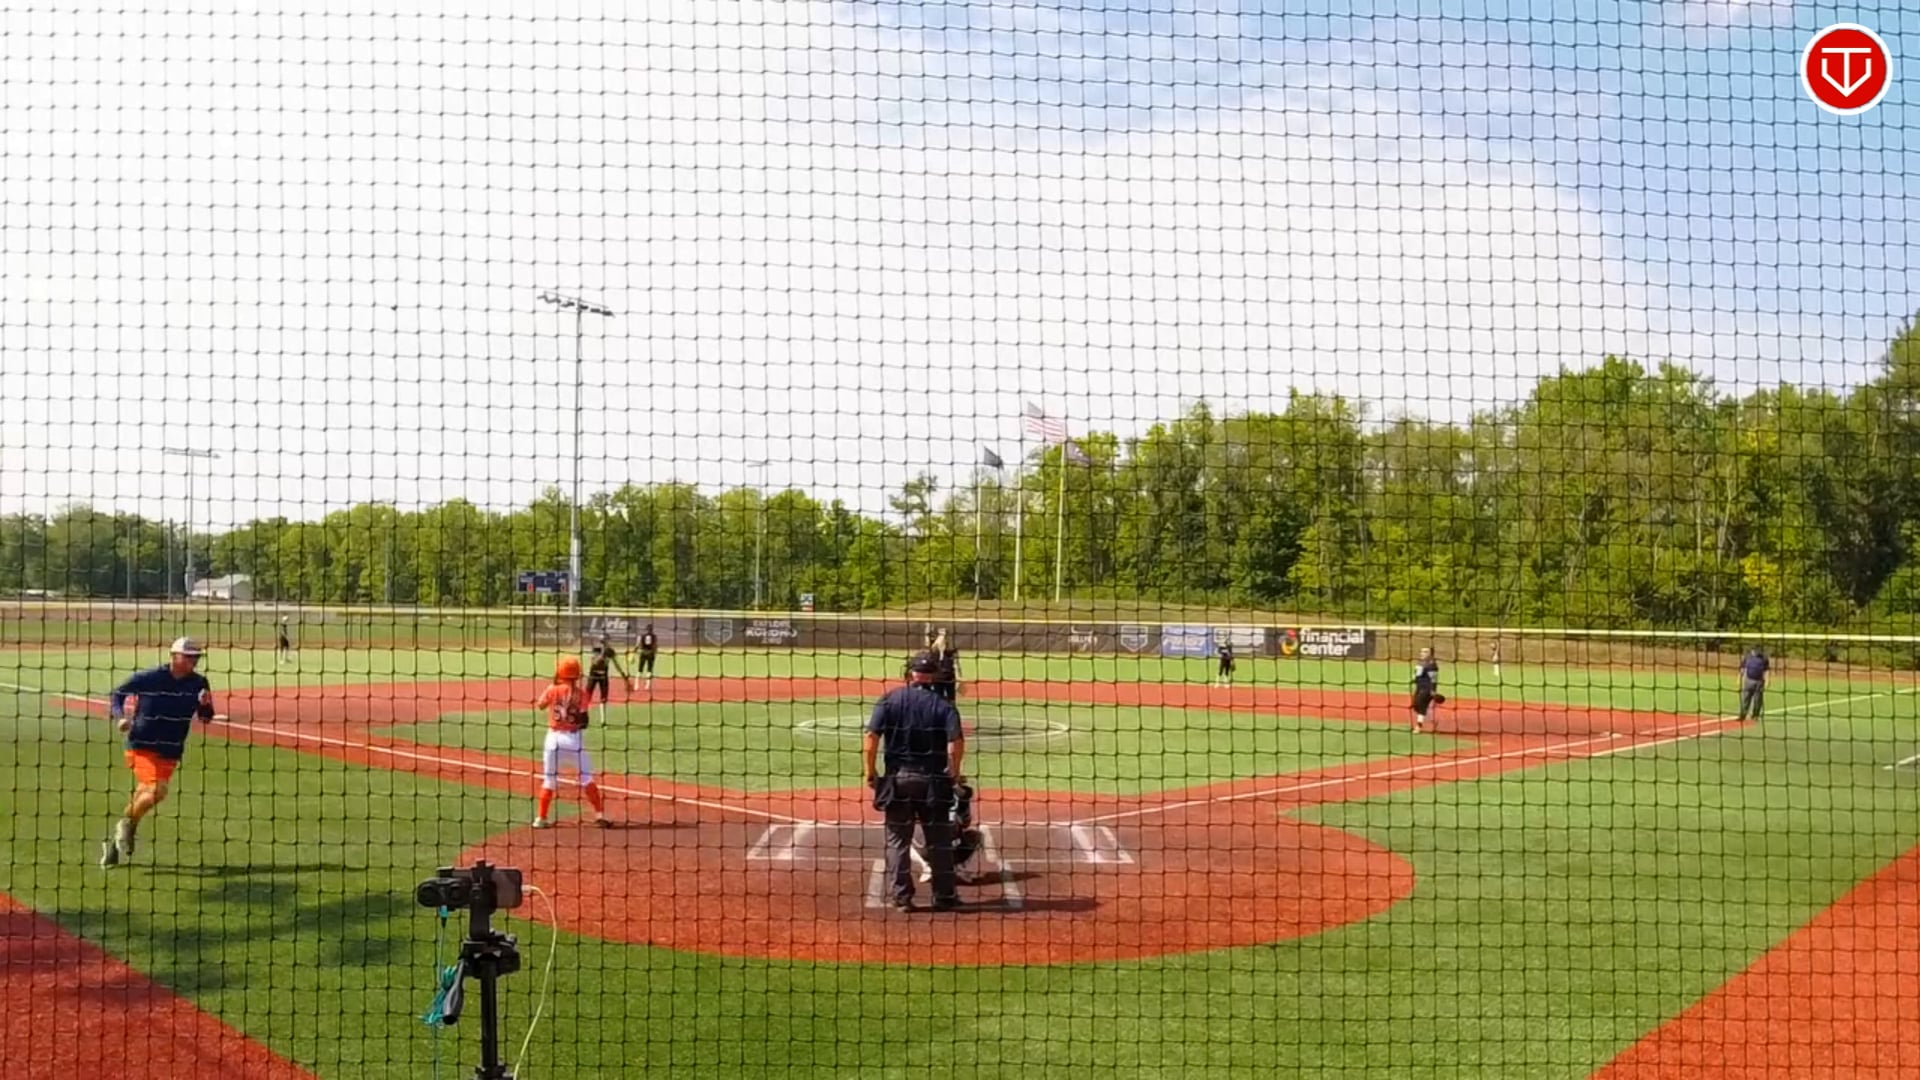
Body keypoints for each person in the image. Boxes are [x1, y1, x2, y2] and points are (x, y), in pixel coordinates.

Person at [99, 638, 217, 868]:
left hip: (171, 750)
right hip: (142, 744)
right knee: (157, 791)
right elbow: (117, 694)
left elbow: (206, 717)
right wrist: (120, 717)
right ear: (174, 656)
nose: (194, 661)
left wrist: (204, 704)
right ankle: (125, 827)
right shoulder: (151, 677)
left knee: (143, 796)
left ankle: (115, 843)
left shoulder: (199, 683)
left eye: (196, 657)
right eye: (189, 656)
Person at [864, 652, 966, 911]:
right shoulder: (943, 705)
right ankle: (944, 896)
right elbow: (956, 743)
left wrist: (870, 772)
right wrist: (954, 773)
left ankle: (902, 898)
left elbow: (871, 738)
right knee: (939, 841)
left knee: (898, 841)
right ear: (933, 676)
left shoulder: (889, 699)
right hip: (933, 782)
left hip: (898, 781)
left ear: (909, 674)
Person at [534, 656, 611, 829]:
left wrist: (554, 689)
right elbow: (584, 721)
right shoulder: (581, 694)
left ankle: (541, 818)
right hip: (573, 740)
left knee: (549, 780)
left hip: (552, 739)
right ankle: (599, 815)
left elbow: (540, 705)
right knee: (586, 778)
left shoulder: (552, 689)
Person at [585, 635, 630, 714]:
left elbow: (616, 664)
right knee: (588, 694)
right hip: (593, 674)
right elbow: (595, 662)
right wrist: (603, 652)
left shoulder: (610, 651)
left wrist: (623, 675)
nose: (606, 643)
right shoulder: (597, 648)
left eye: (606, 641)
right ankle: (584, 713)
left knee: (604, 698)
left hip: (603, 675)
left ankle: (603, 719)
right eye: (604, 641)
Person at [1411, 647, 1443, 733]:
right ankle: (1433, 720)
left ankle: (1418, 727)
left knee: (1421, 704)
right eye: (1421, 651)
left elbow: (1434, 679)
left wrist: (1433, 690)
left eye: (1425, 652)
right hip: (1419, 687)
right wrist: (1414, 679)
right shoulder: (1420, 662)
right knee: (1415, 705)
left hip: (1427, 688)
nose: (1422, 653)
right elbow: (1417, 674)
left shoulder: (1432, 665)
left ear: (1430, 654)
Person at [1738, 646, 1771, 722]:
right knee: (1745, 699)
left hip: (1759, 682)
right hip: (1748, 681)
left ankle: (1755, 715)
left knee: (1757, 700)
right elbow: (1742, 668)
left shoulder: (1764, 658)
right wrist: (1739, 678)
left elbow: (1767, 670)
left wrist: (1767, 680)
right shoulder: (1747, 657)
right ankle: (1742, 715)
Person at [930, 628, 961, 702]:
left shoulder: (951, 652)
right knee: (941, 700)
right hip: (939, 678)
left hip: (947, 678)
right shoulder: (934, 651)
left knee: (948, 700)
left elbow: (956, 665)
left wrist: (959, 678)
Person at [628, 623, 660, 692]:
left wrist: (633, 653)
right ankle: (647, 686)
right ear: (652, 629)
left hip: (643, 653)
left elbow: (637, 645)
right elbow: (655, 646)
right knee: (649, 670)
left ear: (646, 629)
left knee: (640, 669)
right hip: (650, 653)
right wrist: (655, 653)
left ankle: (636, 685)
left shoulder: (642, 636)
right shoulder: (654, 636)